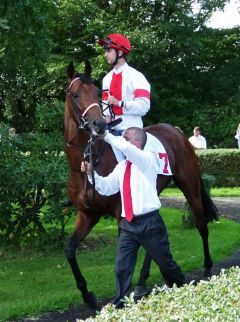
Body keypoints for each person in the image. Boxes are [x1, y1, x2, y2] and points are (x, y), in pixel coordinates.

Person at [81, 127, 185, 308]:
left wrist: (106, 135)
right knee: (122, 267)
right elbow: (106, 187)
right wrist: (91, 174)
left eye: (125, 137)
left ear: (136, 142)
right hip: (128, 225)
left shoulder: (148, 160)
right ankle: (120, 305)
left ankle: (185, 291)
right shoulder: (122, 167)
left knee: (166, 265)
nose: (122, 140)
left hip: (150, 224)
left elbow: (127, 149)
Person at [98, 33, 150, 132]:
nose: (105, 55)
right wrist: (107, 116)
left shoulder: (136, 76)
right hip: (111, 128)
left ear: (120, 53)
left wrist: (119, 103)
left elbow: (144, 106)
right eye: (105, 51)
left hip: (132, 129)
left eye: (108, 51)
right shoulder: (106, 79)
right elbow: (105, 104)